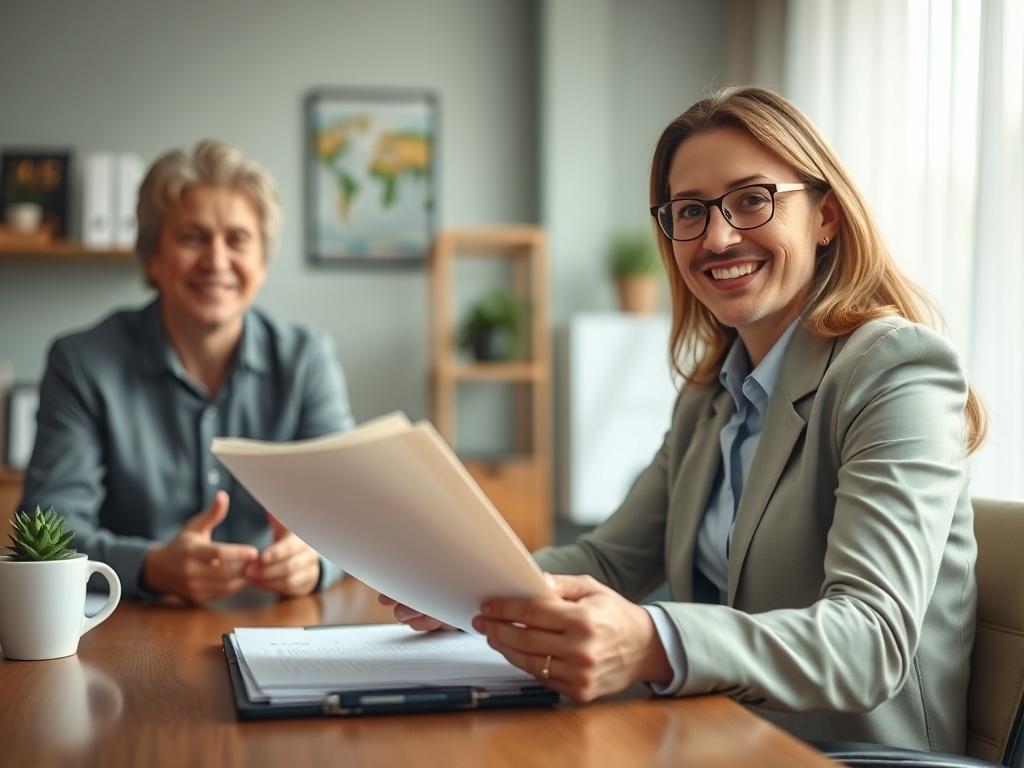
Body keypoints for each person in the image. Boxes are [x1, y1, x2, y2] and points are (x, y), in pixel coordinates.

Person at [382, 87, 985, 753]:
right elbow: (609, 559)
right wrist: (467, 590)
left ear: (826, 217)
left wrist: (654, 640)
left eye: (752, 199)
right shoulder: (710, 394)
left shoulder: (894, 369)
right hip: (715, 737)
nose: (718, 237)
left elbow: (870, 640)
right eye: (690, 211)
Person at [19, 140, 355, 603]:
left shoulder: (307, 360)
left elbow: (352, 513)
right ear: (153, 257)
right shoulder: (81, 363)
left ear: (262, 263)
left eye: (237, 239)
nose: (216, 262)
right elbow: (47, 538)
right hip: (127, 633)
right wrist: (151, 567)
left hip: (280, 628)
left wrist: (315, 562)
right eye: (192, 237)